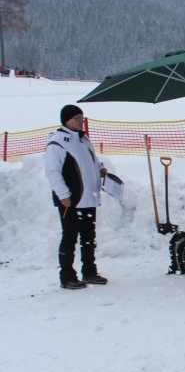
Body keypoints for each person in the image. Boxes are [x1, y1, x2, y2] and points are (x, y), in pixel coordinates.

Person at [44, 105, 109, 289]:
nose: (81, 121)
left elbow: (91, 161)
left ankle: (89, 271)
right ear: (66, 121)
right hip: (71, 200)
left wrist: (100, 168)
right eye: (77, 118)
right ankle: (67, 277)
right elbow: (52, 171)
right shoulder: (57, 142)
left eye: (82, 117)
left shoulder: (83, 139)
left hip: (88, 197)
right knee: (70, 237)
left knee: (89, 237)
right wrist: (63, 194)